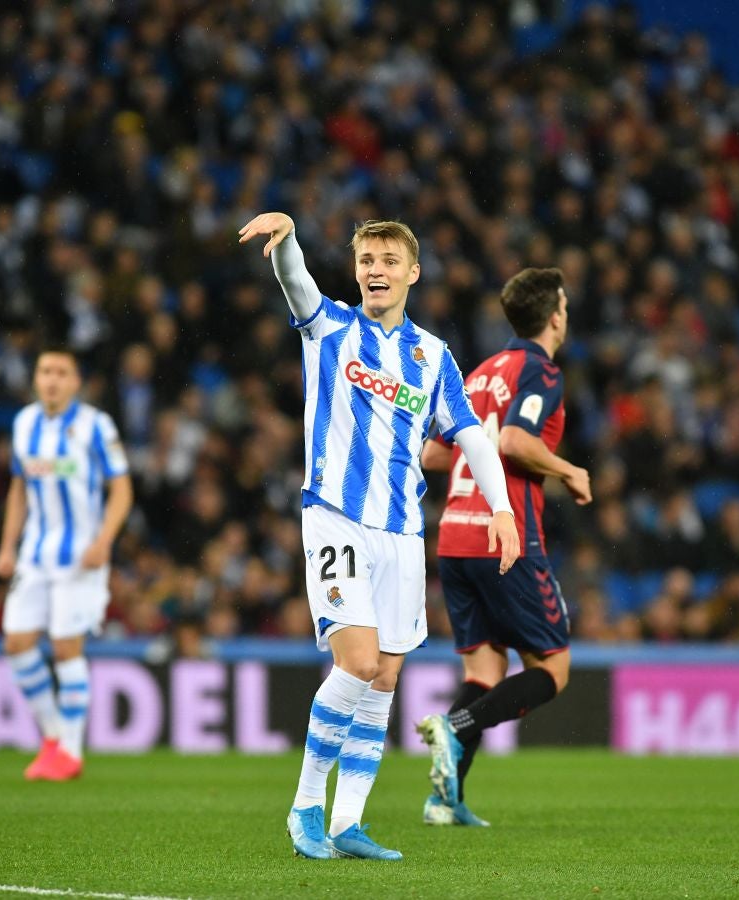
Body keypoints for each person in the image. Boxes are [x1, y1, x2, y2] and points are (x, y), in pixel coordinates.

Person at [238, 212, 519, 861]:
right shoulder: (331, 326)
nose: (376, 271)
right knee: (358, 661)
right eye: (367, 260)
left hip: (401, 530)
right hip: (336, 513)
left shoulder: (431, 356)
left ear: (413, 273)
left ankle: (348, 823)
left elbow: (471, 435)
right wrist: (288, 241)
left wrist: (500, 509)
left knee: (386, 676)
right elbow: (295, 282)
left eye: (389, 261)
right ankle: (305, 806)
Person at [417, 267, 592, 825]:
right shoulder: (540, 371)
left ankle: (445, 801)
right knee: (554, 669)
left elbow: (434, 454)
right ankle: (456, 727)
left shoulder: (483, 372)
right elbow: (515, 441)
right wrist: (568, 470)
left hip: (454, 537)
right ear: (556, 315)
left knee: (484, 673)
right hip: (505, 535)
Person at [0, 348, 133, 781]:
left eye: (61, 372)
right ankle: (54, 736)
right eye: (45, 371)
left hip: (79, 557)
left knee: (65, 647)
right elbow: (19, 488)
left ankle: (69, 751)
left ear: (76, 381)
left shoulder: (95, 426)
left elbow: (122, 489)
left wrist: (104, 541)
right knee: (16, 643)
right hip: (35, 554)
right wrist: (6, 546)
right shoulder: (23, 424)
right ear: (35, 378)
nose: (51, 379)